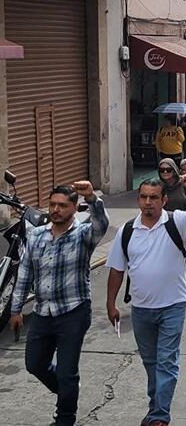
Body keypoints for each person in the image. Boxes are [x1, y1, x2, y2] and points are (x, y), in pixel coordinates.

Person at [106, 175, 186, 426]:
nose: (148, 202)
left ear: (164, 200)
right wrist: (111, 303)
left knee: (166, 361)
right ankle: (157, 406)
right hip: (141, 310)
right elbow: (117, 269)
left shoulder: (178, 222)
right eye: (144, 197)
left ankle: (159, 417)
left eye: (154, 197)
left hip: (173, 305)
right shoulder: (128, 231)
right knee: (151, 363)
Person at [9, 182, 108, 426]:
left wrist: (92, 198)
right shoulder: (36, 235)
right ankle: (68, 391)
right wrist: (16, 309)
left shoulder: (83, 234)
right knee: (34, 364)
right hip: (44, 312)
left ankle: (65, 417)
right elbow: (25, 273)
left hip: (73, 311)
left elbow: (101, 224)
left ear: (74, 208)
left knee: (66, 371)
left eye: (62, 206)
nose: (56, 210)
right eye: (52, 204)